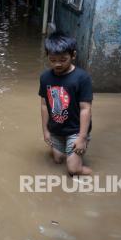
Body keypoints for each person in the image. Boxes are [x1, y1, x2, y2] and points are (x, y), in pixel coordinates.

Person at [39, 32, 93, 176]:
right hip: (56, 128)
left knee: (73, 170)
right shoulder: (45, 77)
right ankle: (67, 152)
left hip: (75, 130)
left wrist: (82, 138)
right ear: (47, 56)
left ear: (73, 55)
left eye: (63, 59)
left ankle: (93, 173)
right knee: (57, 160)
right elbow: (44, 105)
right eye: (52, 59)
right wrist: (45, 131)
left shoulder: (82, 78)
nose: (57, 64)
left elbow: (85, 109)